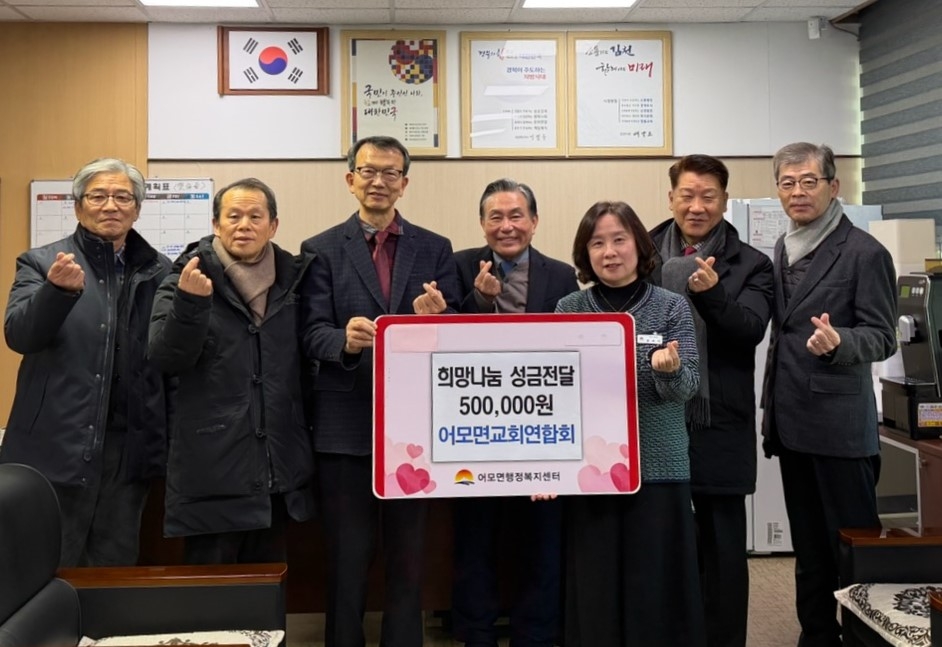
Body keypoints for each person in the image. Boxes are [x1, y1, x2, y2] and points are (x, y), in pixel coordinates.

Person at [299, 135, 459, 647]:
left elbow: (456, 332)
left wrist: (438, 320)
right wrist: (343, 341)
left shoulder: (435, 248)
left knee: (409, 560)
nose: (379, 181)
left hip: (415, 430)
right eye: (368, 171)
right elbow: (309, 333)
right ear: (350, 180)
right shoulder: (320, 249)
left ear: (404, 184)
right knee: (347, 559)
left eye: (391, 173)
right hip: (345, 428)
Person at [2, 157, 171, 567]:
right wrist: (56, 293)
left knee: (113, 570)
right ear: (78, 207)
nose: (110, 205)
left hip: (127, 452)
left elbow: (168, 360)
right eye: (98, 196)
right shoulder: (42, 262)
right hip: (56, 445)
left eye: (122, 197)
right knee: (45, 567)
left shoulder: (160, 271)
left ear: (137, 209)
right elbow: (19, 335)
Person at [761, 142, 897, 647]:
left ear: (833, 186)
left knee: (853, 546)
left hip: (840, 429)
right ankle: (816, 634)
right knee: (809, 547)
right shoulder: (783, 246)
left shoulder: (865, 252)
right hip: (791, 421)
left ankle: (865, 637)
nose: (797, 192)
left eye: (808, 181)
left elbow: (882, 335)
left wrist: (841, 343)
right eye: (787, 183)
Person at [555, 201, 706, 647]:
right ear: (585, 253)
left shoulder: (671, 307)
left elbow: (688, 388)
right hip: (591, 471)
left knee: (654, 589)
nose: (609, 252)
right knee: (596, 586)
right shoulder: (569, 308)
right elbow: (559, 395)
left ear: (639, 246)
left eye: (619, 240)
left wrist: (668, 372)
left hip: (659, 468)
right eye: (597, 243)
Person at [147, 177, 315, 564]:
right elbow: (164, 358)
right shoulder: (185, 277)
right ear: (216, 224)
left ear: (273, 226)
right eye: (233, 216)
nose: (244, 226)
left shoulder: (295, 280)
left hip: (278, 474)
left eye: (255, 217)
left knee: (268, 589)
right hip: (212, 473)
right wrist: (190, 305)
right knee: (213, 592)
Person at [648, 154, 773, 647]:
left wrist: (714, 295)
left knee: (722, 549)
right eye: (687, 195)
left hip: (718, 418)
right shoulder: (644, 253)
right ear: (671, 198)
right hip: (656, 417)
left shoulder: (752, 263)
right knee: (662, 543)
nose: (696, 206)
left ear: (724, 200)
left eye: (708, 196)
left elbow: (750, 330)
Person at [451, 178, 578, 647]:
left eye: (516, 215)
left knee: (540, 542)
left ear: (534, 221)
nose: (506, 226)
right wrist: (480, 301)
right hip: (472, 430)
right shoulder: (458, 265)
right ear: (482, 223)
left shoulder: (561, 275)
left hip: (539, 431)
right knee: (474, 540)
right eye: (496, 217)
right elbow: (444, 335)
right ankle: (476, 634)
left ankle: (536, 635)